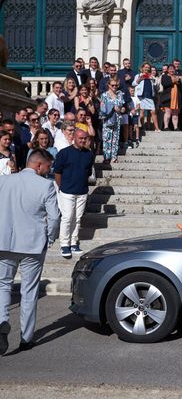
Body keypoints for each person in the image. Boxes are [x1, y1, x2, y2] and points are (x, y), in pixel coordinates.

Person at [0, 149, 59, 354]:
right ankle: (26, 337)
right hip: (32, 245)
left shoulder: (4, 181)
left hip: (4, 242)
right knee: (29, 291)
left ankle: (1, 321)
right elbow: (54, 217)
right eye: (47, 167)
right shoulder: (46, 185)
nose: (48, 171)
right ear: (39, 165)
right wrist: (50, 238)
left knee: (3, 285)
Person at [54, 129, 94, 258]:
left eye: (84, 138)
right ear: (74, 138)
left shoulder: (89, 154)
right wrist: (61, 187)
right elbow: (57, 172)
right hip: (67, 191)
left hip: (82, 191)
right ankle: (64, 244)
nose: (82, 140)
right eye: (80, 138)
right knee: (67, 217)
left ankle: (73, 242)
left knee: (77, 219)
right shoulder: (64, 153)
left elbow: (87, 172)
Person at [100, 78, 126, 164]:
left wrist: (121, 109)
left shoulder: (120, 95)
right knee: (107, 138)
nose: (115, 87)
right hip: (107, 119)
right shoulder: (104, 95)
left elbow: (122, 107)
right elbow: (102, 109)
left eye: (116, 85)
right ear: (108, 85)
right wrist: (111, 107)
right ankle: (106, 157)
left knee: (115, 138)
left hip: (117, 119)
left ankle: (114, 157)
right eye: (113, 85)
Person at [134, 63, 161, 132]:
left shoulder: (151, 76)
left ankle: (157, 128)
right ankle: (143, 127)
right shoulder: (138, 75)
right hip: (141, 95)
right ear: (142, 68)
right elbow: (133, 84)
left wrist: (153, 80)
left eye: (148, 67)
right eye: (145, 67)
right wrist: (139, 79)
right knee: (142, 112)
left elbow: (156, 86)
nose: (147, 69)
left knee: (153, 111)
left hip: (149, 96)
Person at [159, 63, 182, 131]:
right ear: (168, 70)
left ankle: (175, 127)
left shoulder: (177, 77)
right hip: (168, 97)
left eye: (173, 69)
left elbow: (181, 87)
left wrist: (179, 80)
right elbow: (165, 84)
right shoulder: (165, 76)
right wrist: (174, 80)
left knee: (175, 113)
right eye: (170, 69)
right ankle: (166, 127)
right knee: (168, 113)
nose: (172, 70)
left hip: (176, 98)